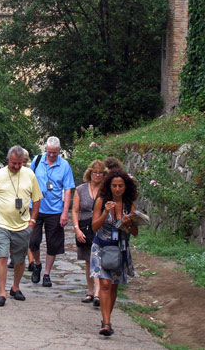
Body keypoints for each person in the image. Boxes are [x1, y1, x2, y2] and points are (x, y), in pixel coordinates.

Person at [0, 145, 42, 307]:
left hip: (23, 225)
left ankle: (15, 287)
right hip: (1, 224)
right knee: (2, 256)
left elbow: (37, 199)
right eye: (14, 163)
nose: (17, 167)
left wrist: (33, 221)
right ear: (8, 160)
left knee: (19, 259)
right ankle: (1, 291)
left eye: (20, 163)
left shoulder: (30, 175)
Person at [90, 168, 138, 336]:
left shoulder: (129, 206)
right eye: (114, 186)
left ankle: (106, 318)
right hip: (102, 247)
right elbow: (94, 226)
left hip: (120, 249)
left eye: (121, 186)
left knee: (113, 287)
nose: (117, 189)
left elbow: (135, 232)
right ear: (109, 186)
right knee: (104, 284)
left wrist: (129, 223)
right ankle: (107, 323)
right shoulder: (101, 201)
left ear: (126, 187)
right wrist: (106, 213)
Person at [29, 136, 75, 287]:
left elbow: (67, 190)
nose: (51, 155)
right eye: (49, 152)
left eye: (54, 153)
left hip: (55, 210)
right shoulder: (37, 161)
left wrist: (65, 212)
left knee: (53, 243)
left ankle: (47, 273)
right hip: (36, 207)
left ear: (59, 151)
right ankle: (37, 264)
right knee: (33, 240)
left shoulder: (65, 166)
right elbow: (28, 181)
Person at [72, 160, 107, 305]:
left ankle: (98, 293)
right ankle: (90, 291)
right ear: (90, 173)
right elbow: (75, 210)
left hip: (101, 227)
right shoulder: (80, 189)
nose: (97, 175)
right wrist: (76, 229)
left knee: (98, 260)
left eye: (100, 173)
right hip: (85, 227)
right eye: (95, 172)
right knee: (88, 261)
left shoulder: (106, 190)